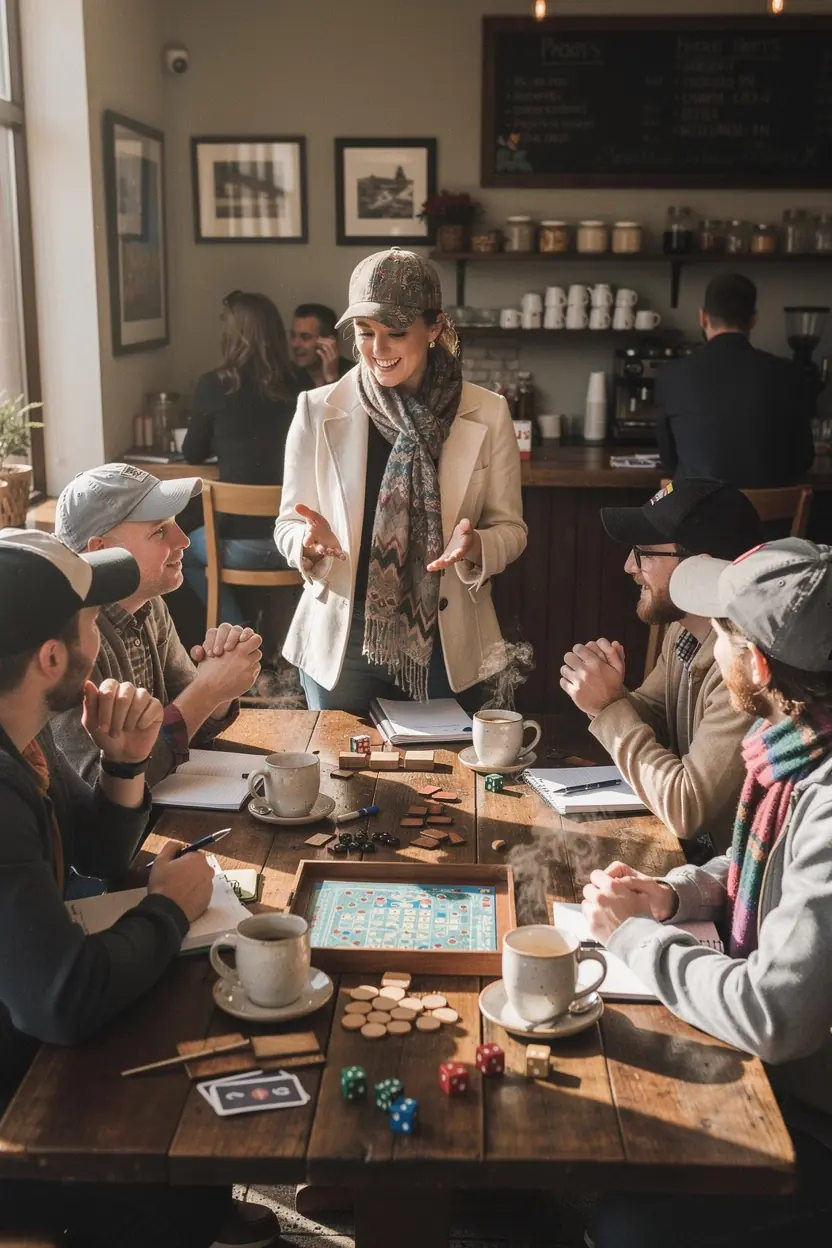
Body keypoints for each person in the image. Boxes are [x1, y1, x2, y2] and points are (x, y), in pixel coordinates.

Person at [0, 529, 281, 1248]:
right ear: (52, 658)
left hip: (25, 1032)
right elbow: (62, 997)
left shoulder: (22, 735)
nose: (103, 632)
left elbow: (91, 854)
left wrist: (124, 765)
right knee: (183, 1117)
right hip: (15, 1112)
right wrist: (167, 908)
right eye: (94, 619)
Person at [584, 538, 832, 1248]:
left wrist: (632, 938)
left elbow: (773, 1014)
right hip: (793, 1075)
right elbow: (758, 864)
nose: (706, 646)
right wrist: (670, 895)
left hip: (810, 1113)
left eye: (719, 632)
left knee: (622, 1223)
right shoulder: (797, 741)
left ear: (757, 666)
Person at [274, 246, 527, 714]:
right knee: (338, 760)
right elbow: (288, 523)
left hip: (445, 643)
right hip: (343, 642)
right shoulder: (317, 409)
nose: (377, 350)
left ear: (434, 329)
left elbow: (511, 529)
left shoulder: (488, 412)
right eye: (365, 332)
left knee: (445, 762)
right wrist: (306, 546)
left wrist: (477, 546)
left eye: (395, 333)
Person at [561, 479, 763, 855]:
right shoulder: (685, 629)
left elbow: (688, 809)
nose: (629, 566)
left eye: (645, 553)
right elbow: (655, 715)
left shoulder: (745, 665)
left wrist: (608, 708)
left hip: (730, 868)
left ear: (699, 569)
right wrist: (606, 693)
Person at [52, 464, 262, 787]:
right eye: (159, 531)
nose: (184, 540)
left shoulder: (150, 606)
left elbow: (186, 725)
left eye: (174, 524)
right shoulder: (63, 639)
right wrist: (207, 690)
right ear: (101, 551)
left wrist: (220, 687)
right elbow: (104, 783)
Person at [182, 290, 303, 626]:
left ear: (234, 334)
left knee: (181, 554)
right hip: (295, 543)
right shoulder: (301, 382)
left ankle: (241, 635)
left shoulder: (213, 385)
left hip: (237, 546)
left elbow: (192, 452)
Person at [655, 273, 815, 487]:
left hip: (696, 507)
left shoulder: (671, 375)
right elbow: (803, 460)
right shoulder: (790, 373)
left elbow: (669, 461)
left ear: (703, 318)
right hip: (771, 509)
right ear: (753, 320)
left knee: (654, 504)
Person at [290, 302, 352, 389]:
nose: (295, 344)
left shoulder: (352, 374)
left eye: (305, 337)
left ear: (329, 342)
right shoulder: (287, 376)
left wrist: (331, 378)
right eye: (293, 335)